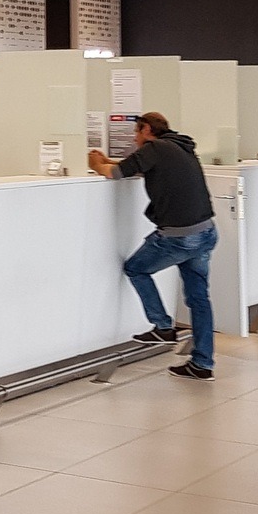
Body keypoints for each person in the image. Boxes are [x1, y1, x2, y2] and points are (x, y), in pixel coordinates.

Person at [88, 111, 218, 379]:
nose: (135, 140)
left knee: (136, 268)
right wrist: (109, 161)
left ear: (146, 129)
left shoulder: (154, 147)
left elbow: (114, 173)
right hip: (205, 232)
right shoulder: (179, 147)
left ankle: (162, 326)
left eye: (136, 133)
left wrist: (95, 163)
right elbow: (133, 166)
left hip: (179, 236)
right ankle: (202, 363)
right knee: (199, 298)